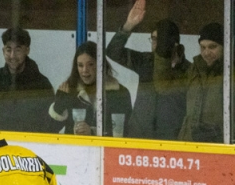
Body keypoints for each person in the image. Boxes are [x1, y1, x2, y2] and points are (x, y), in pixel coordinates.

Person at [105, 0, 190, 140]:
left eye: (161, 40)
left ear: (175, 43)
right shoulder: (146, 61)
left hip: (171, 142)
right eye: (154, 39)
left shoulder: (189, 71)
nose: (156, 44)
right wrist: (128, 25)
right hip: (139, 137)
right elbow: (113, 51)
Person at [49, 41, 133, 136]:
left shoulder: (120, 93)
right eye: (80, 65)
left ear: (100, 65)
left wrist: (93, 133)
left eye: (90, 64)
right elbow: (49, 130)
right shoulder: (69, 90)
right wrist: (58, 107)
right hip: (73, 146)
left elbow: (126, 133)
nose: (85, 70)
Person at [178, 22, 224, 142]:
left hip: (220, 146)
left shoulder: (230, 73)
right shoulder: (194, 69)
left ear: (225, 47)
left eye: (212, 47)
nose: (206, 52)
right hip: (189, 143)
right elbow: (164, 87)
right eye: (203, 47)